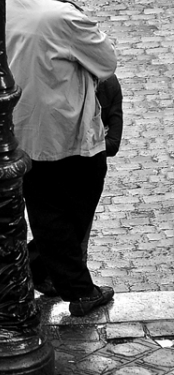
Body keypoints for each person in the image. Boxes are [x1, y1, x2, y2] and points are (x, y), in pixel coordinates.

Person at [6, 0, 117, 317]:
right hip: (67, 135)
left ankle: (47, 271)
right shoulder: (64, 16)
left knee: (45, 205)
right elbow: (106, 62)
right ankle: (78, 290)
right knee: (64, 210)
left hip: (21, 131)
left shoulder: (0, 7)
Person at [81, 73, 123, 263]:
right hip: (58, 168)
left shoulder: (110, 84)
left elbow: (113, 143)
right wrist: (96, 139)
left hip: (88, 171)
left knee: (79, 232)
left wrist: (81, 143)